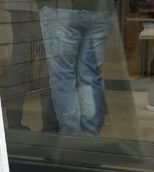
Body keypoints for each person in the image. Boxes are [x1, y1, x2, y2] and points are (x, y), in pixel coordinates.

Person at [38, 0, 116, 135]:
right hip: (101, 8)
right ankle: (89, 137)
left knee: (63, 76)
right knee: (91, 77)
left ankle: (72, 138)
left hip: (61, 7)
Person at [3, 0, 59, 131]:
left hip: (17, 7)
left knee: (19, 65)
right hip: (43, 6)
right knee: (48, 63)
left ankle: (14, 123)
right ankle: (50, 125)